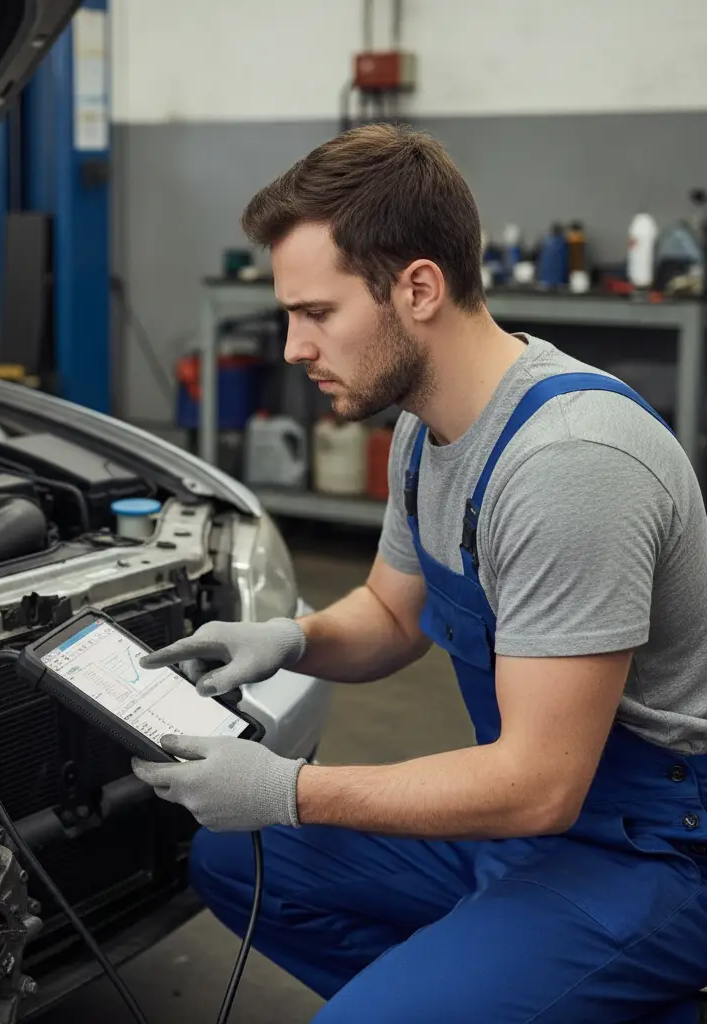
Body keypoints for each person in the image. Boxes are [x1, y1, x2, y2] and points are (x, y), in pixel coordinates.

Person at [131, 123, 707, 1023]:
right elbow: (394, 616)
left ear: (420, 289)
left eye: (317, 313)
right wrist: (287, 640)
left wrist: (287, 788)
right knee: (236, 863)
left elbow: (539, 785)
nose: (292, 347)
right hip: (526, 822)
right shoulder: (423, 427)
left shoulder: (570, 464)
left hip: (647, 853)